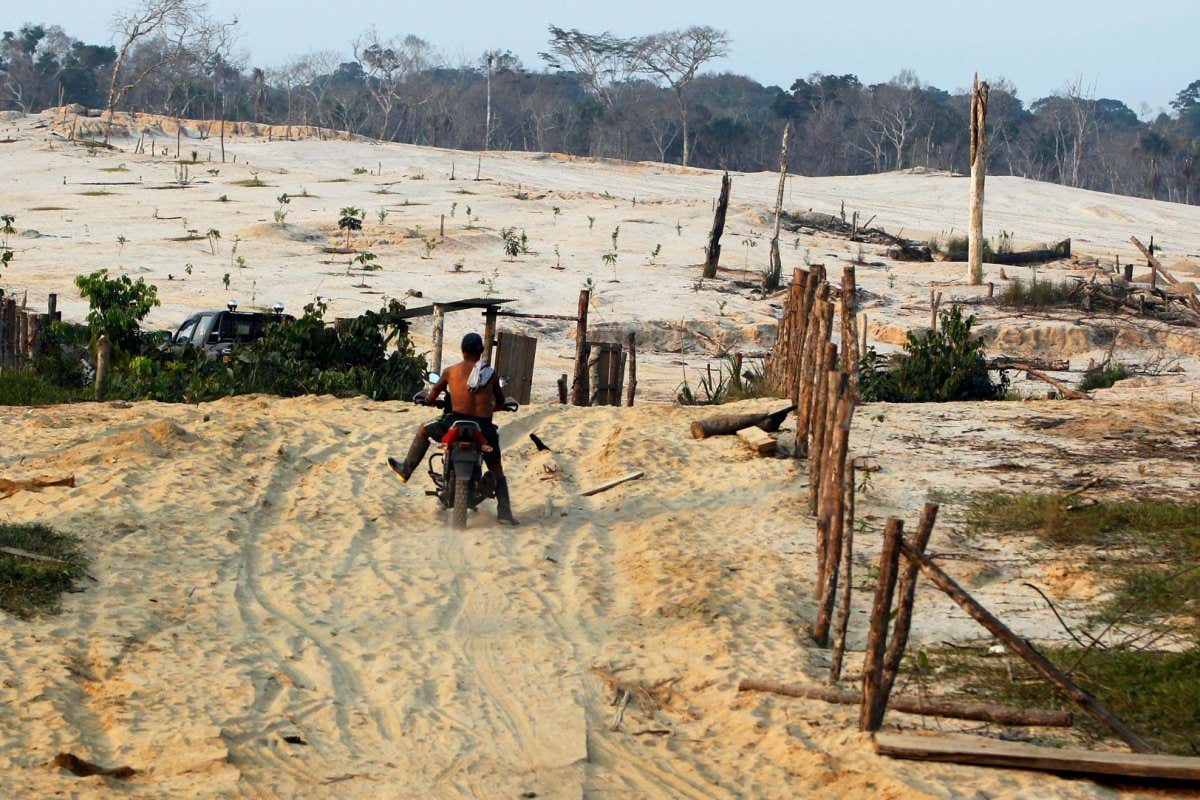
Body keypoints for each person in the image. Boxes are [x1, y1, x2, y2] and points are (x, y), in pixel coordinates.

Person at [388, 332, 518, 525]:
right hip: (483, 427)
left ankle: (405, 470)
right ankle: (505, 513)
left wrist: (429, 402)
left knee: (424, 429)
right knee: (496, 468)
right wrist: (495, 407)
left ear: (462, 351)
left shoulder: (450, 371)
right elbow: (499, 401)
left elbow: (431, 397)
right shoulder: (490, 375)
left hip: (454, 421)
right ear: (481, 351)